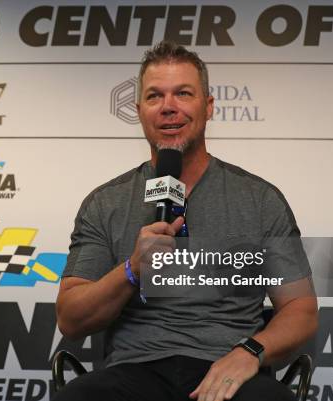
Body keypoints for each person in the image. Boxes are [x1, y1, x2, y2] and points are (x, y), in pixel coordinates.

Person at [54, 41, 318, 401]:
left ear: (208, 106)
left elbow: (300, 308)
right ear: (139, 110)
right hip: (134, 372)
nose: (168, 108)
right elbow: (70, 319)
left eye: (183, 94)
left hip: (228, 370)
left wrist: (250, 353)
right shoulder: (106, 203)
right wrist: (132, 269)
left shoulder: (259, 199)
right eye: (154, 96)